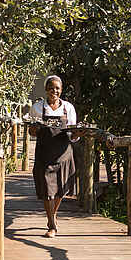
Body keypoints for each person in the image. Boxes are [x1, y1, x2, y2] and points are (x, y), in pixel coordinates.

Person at [29, 75, 78, 237]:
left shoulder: (68, 108)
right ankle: (52, 224)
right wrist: (33, 130)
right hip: (44, 153)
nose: (54, 91)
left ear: (61, 90)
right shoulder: (37, 108)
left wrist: (78, 134)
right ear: (46, 89)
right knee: (47, 189)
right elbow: (32, 132)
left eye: (57, 88)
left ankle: (52, 215)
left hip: (64, 154)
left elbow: (73, 133)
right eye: (51, 88)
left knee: (60, 190)